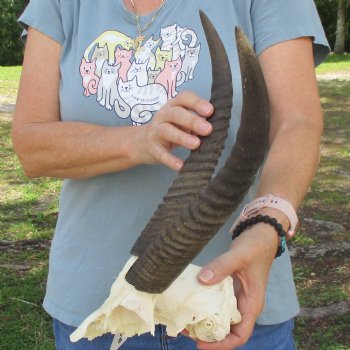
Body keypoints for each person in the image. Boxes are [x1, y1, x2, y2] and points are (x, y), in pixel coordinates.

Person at [13, 0, 329, 349]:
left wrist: (269, 222)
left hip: (229, 300)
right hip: (101, 311)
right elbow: (31, 146)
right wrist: (138, 141)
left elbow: (297, 123)